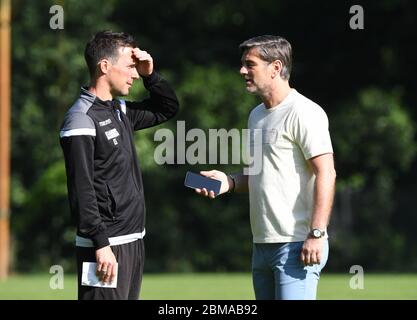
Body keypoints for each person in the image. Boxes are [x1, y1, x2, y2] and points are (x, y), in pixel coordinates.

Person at [196, 35, 336, 300]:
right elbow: (259, 175)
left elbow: (326, 172)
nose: (242, 71)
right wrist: (229, 181)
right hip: (261, 245)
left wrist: (316, 233)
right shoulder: (256, 115)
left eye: (250, 65)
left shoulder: (305, 112)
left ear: (275, 68)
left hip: (296, 243)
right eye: (243, 64)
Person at [59, 30, 179, 300]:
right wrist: (101, 244)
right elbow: (82, 189)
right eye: (130, 67)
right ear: (104, 66)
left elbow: (168, 108)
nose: (134, 74)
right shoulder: (80, 119)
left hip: (133, 241)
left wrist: (151, 75)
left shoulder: (119, 110)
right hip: (104, 247)